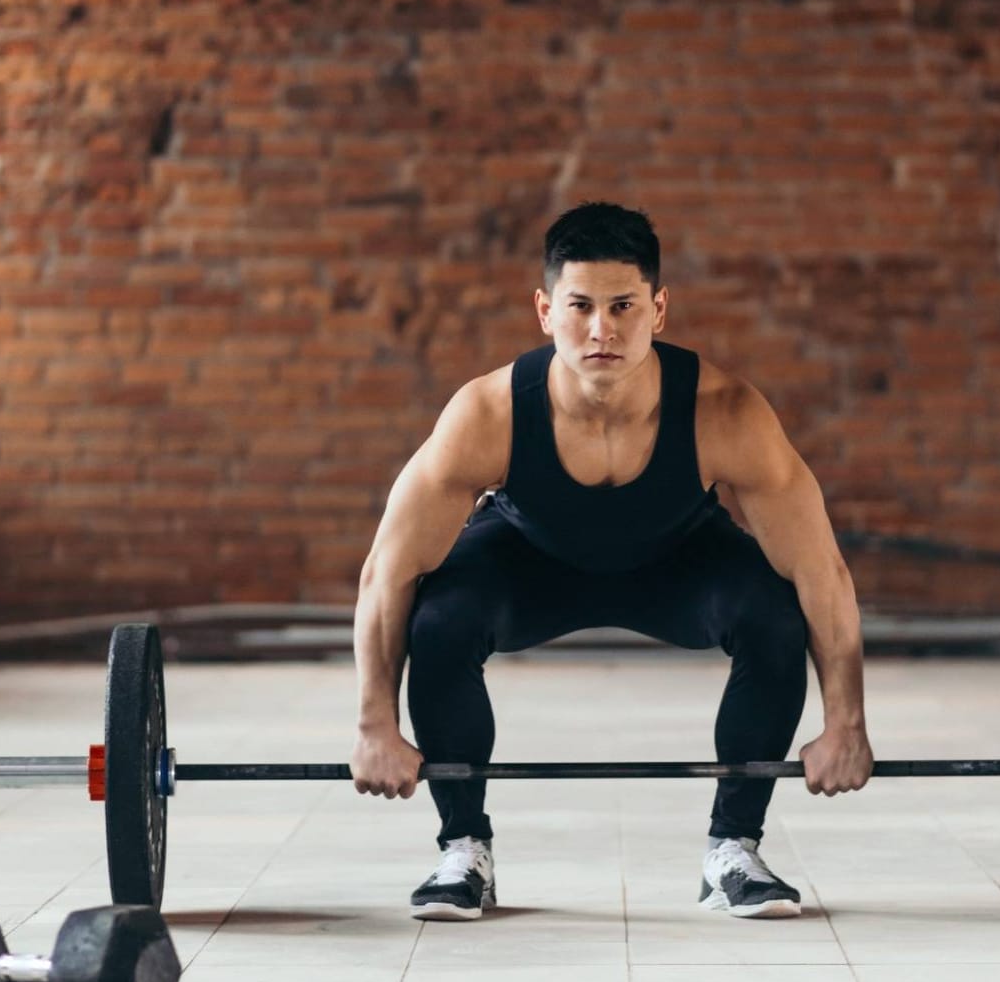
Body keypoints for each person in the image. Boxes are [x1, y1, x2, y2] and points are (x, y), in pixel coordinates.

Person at [349, 202, 873, 920]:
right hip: (528, 559)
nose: (603, 329)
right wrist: (375, 723)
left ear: (659, 308)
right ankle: (464, 849)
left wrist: (846, 722)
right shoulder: (489, 414)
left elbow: (822, 571)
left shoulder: (725, 412)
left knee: (774, 614)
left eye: (624, 305)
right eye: (581, 306)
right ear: (544, 309)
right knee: (439, 618)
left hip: (677, 560)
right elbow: (389, 571)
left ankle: (734, 849)